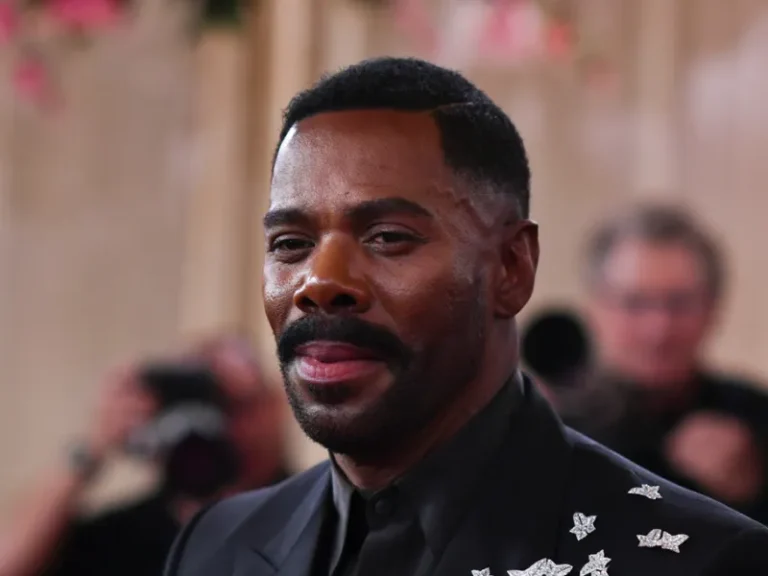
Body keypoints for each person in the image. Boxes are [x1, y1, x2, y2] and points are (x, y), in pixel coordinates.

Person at [164, 58, 768, 576]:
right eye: (290, 244)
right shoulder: (216, 546)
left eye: (387, 237)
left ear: (511, 268)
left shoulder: (700, 559)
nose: (320, 283)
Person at [0, 335, 290, 576]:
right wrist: (93, 446)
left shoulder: (309, 515)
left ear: (275, 406)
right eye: (196, 404)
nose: (218, 423)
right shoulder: (119, 541)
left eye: (234, 405)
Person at [562, 204, 768, 524]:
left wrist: (754, 489)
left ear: (713, 308)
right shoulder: (551, 422)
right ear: (595, 307)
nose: (658, 329)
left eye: (680, 303)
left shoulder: (753, 419)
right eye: (634, 303)